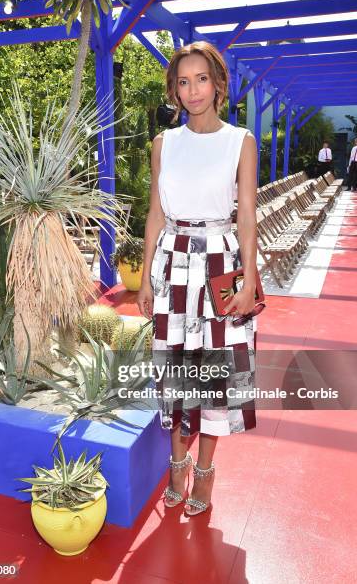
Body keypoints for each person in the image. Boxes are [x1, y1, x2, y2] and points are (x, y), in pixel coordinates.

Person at [137, 41, 258, 517]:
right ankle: (176, 464)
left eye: (201, 79)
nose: (192, 91)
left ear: (219, 84)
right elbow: (155, 213)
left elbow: (246, 214)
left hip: (220, 263)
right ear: (174, 89)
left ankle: (204, 471)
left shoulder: (240, 140)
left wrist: (250, 278)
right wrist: (147, 277)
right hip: (173, 262)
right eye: (183, 82)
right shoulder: (164, 143)